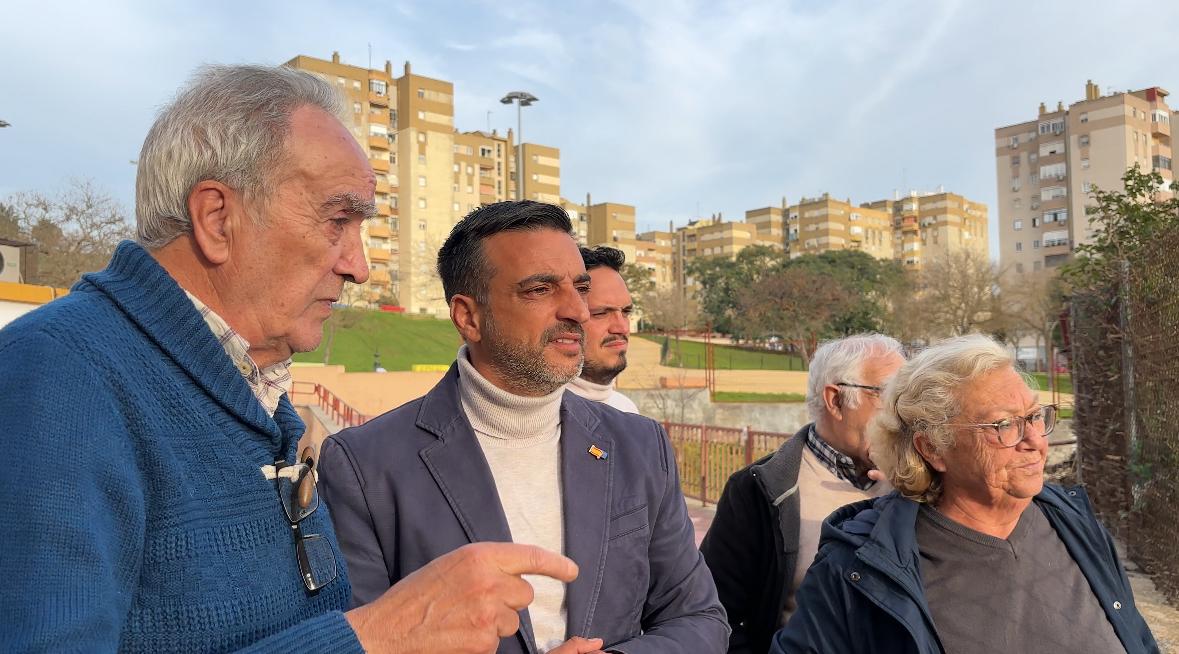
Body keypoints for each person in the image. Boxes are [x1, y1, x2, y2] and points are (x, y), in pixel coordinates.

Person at [0, 64, 579, 654]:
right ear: (218, 219)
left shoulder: (248, 392)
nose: (359, 267)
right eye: (338, 220)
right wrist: (380, 635)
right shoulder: (57, 376)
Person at [318, 200, 729, 654]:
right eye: (540, 289)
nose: (577, 310)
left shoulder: (640, 445)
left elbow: (699, 619)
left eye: (580, 288)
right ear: (468, 317)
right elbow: (357, 640)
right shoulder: (363, 467)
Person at [771, 334, 1160, 654]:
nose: (1034, 441)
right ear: (933, 448)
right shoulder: (859, 570)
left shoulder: (1073, 522)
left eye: (1034, 416)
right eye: (1003, 425)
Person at [700, 334, 905, 654]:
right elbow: (716, 612)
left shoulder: (924, 486)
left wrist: (915, 496)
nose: (903, 415)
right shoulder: (760, 489)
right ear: (835, 400)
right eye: (889, 395)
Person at [565, 245, 639, 413]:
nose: (621, 328)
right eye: (601, 313)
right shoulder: (540, 418)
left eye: (625, 312)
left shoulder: (627, 410)